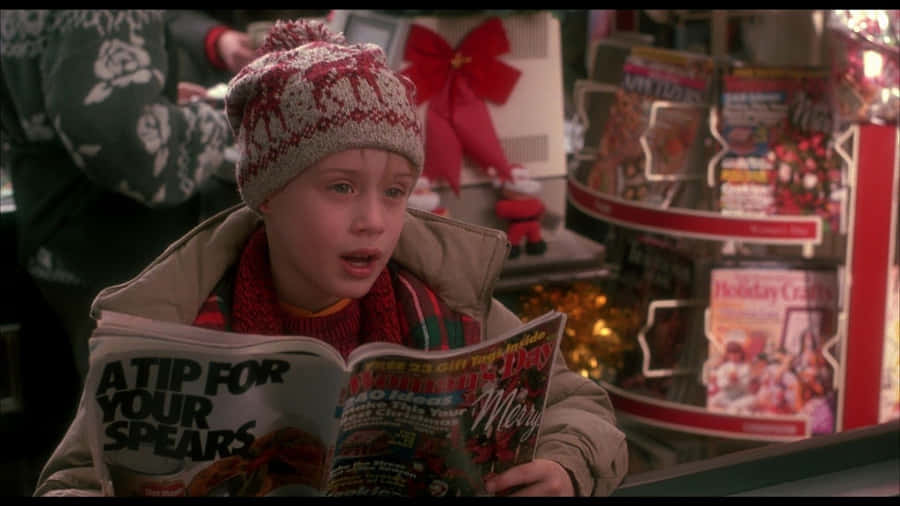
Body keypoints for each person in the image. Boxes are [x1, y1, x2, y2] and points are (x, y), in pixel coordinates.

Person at [33, 18, 628, 497]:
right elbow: (73, 478)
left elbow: (578, 405)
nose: (373, 220)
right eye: (341, 187)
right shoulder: (167, 322)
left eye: (395, 191)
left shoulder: (451, 300)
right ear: (267, 193)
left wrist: (566, 466)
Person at [0, 10, 252, 381]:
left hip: (52, 231)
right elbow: (135, 150)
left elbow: (69, 86)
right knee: (132, 401)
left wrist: (143, 98)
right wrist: (230, 120)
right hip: (111, 250)